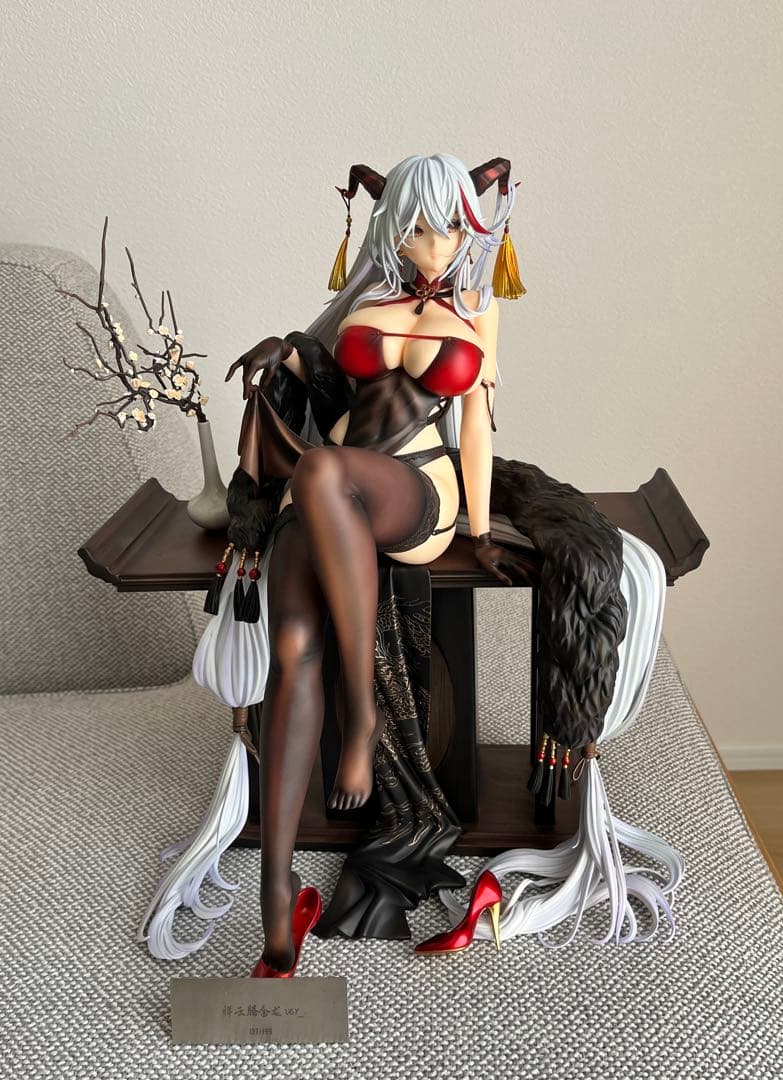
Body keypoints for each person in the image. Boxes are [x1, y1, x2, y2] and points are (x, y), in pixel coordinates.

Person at [223, 153, 536, 975]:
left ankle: (360, 715)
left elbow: (477, 427)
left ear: (471, 228)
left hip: (414, 494)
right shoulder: (367, 301)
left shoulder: (477, 308)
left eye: (447, 228)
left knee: (323, 471)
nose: (432, 245)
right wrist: (286, 356)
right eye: (415, 228)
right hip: (332, 493)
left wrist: (481, 530)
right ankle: (277, 902)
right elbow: (323, 382)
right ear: (391, 228)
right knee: (292, 653)